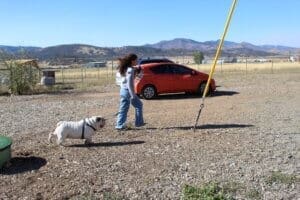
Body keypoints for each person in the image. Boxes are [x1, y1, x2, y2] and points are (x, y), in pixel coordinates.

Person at [115, 53, 144, 130]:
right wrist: (133, 95)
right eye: (136, 60)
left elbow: (131, 80)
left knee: (124, 108)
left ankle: (120, 124)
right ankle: (138, 123)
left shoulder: (127, 69)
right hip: (128, 92)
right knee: (138, 105)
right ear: (132, 61)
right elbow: (130, 84)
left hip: (123, 90)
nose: (137, 61)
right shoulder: (130, 70)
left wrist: (140, 73)